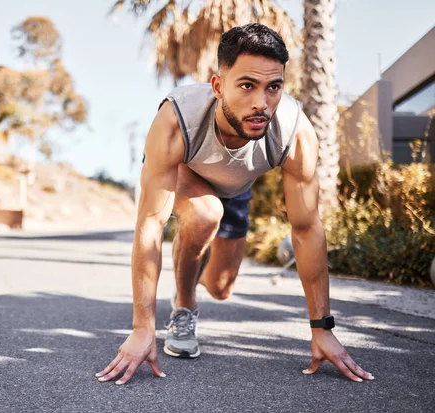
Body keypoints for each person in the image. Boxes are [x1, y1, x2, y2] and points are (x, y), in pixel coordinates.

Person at [96, 23, 374, 385]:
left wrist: (322, 328)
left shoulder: (294, 131)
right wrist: (141, 326)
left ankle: (197, 258)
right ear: (217, 86)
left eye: (273, 87)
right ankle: (184, 305)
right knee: (203, 214)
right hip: (188, 172)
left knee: (221, 287)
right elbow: (150, 223)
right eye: (247, 86)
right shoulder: (177, 119)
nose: (261, 102)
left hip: (237, 188)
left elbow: (306, 228)